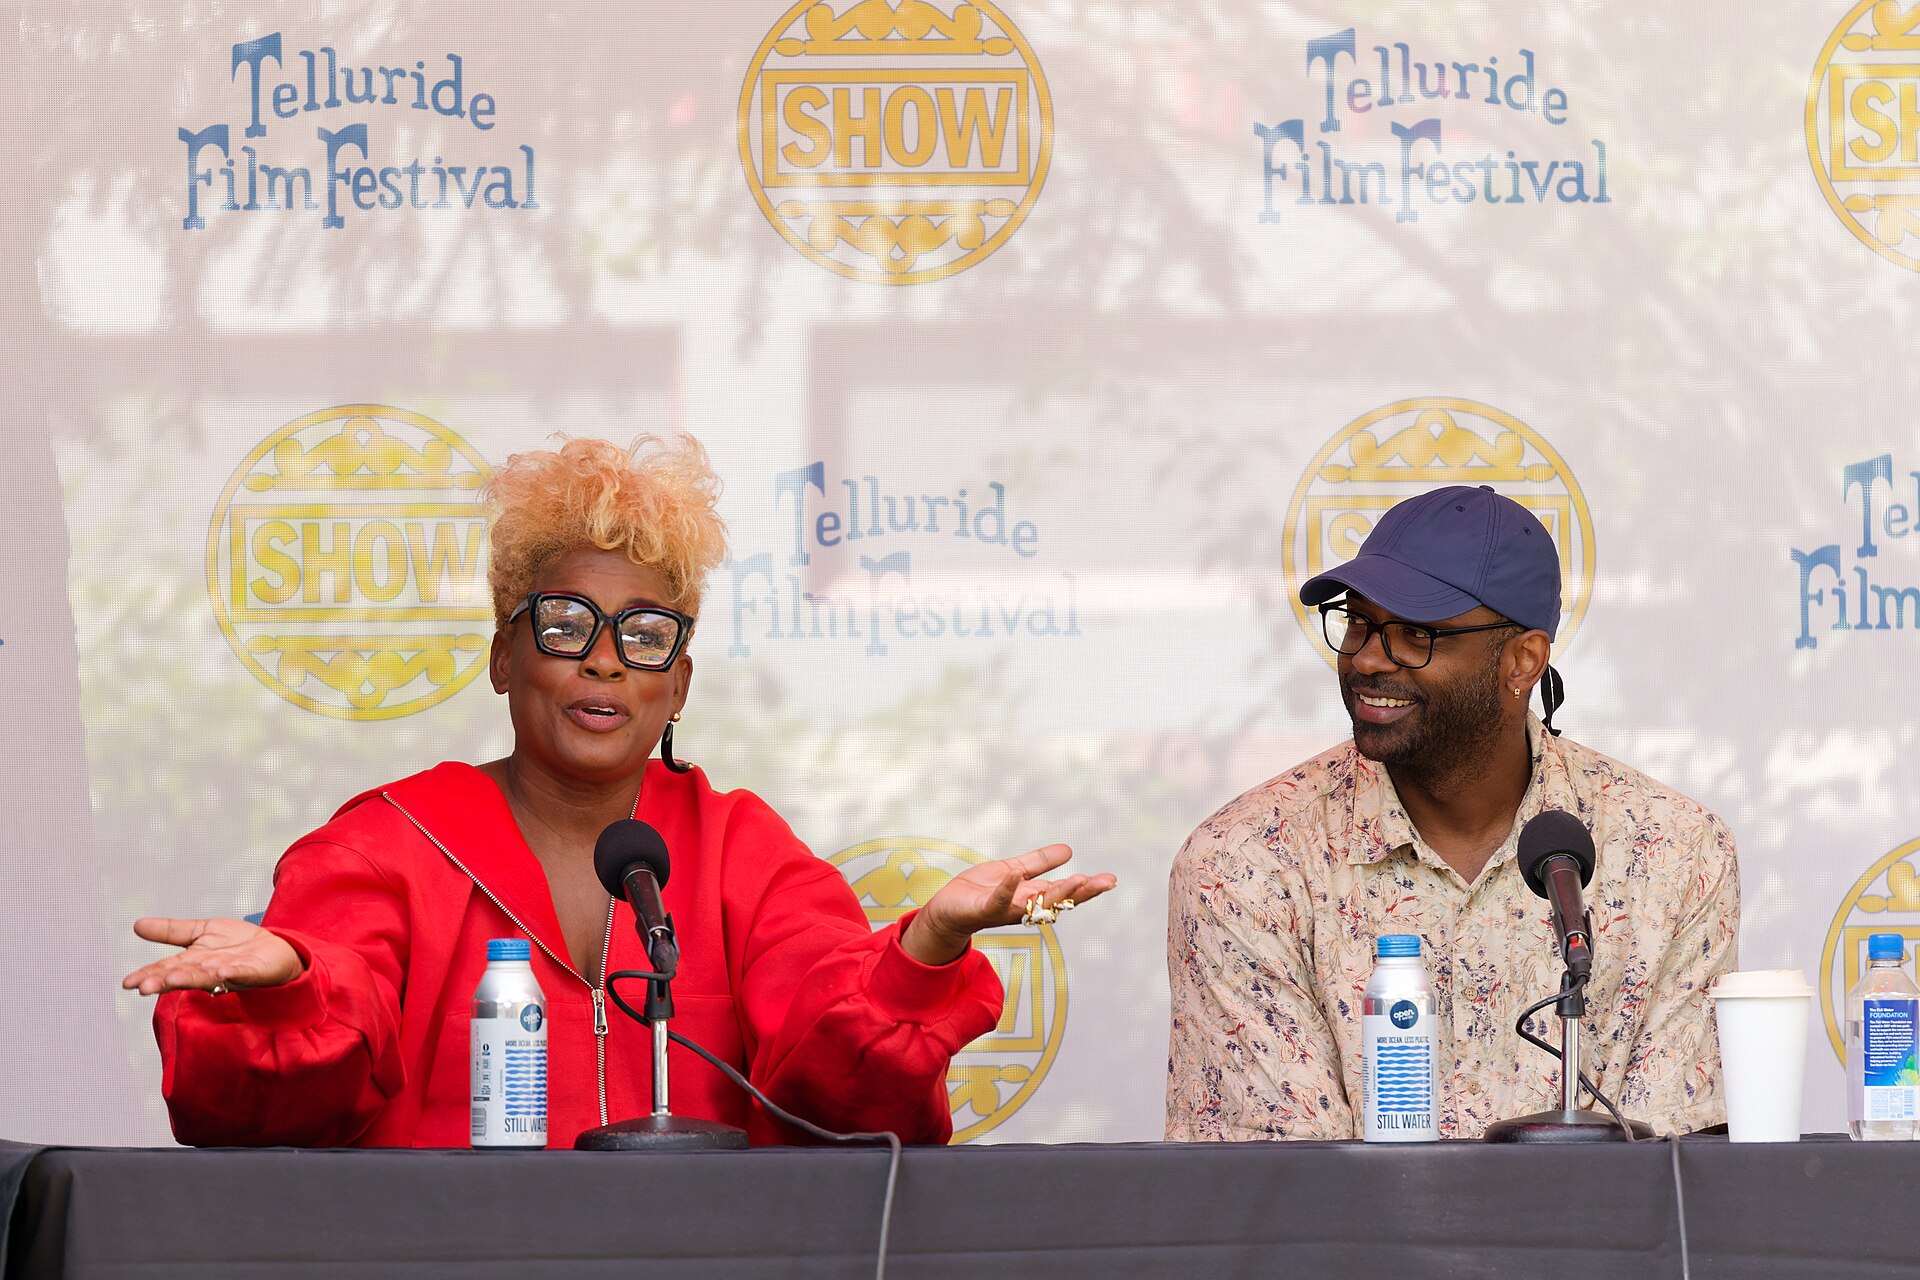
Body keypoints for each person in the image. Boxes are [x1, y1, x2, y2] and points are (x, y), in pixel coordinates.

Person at [125, 434, 1115, 1148]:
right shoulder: (386, 845)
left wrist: (925, 948)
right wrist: (287, 987)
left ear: (677, 682)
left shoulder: (743, 851)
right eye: (567, 624)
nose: (606, 662)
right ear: (504, 655)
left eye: (645, 635)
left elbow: (843, 1094)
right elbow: (261, 1109)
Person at [1165, 485, 1738, 1140]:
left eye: (1415, 634)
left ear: (1522, 661)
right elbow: (1286, 1189)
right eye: (1358, 622)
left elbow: (1665, 1166)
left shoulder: (1674, 851)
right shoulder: (1245, 864)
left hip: (1598, 1242)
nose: (1367, 659)